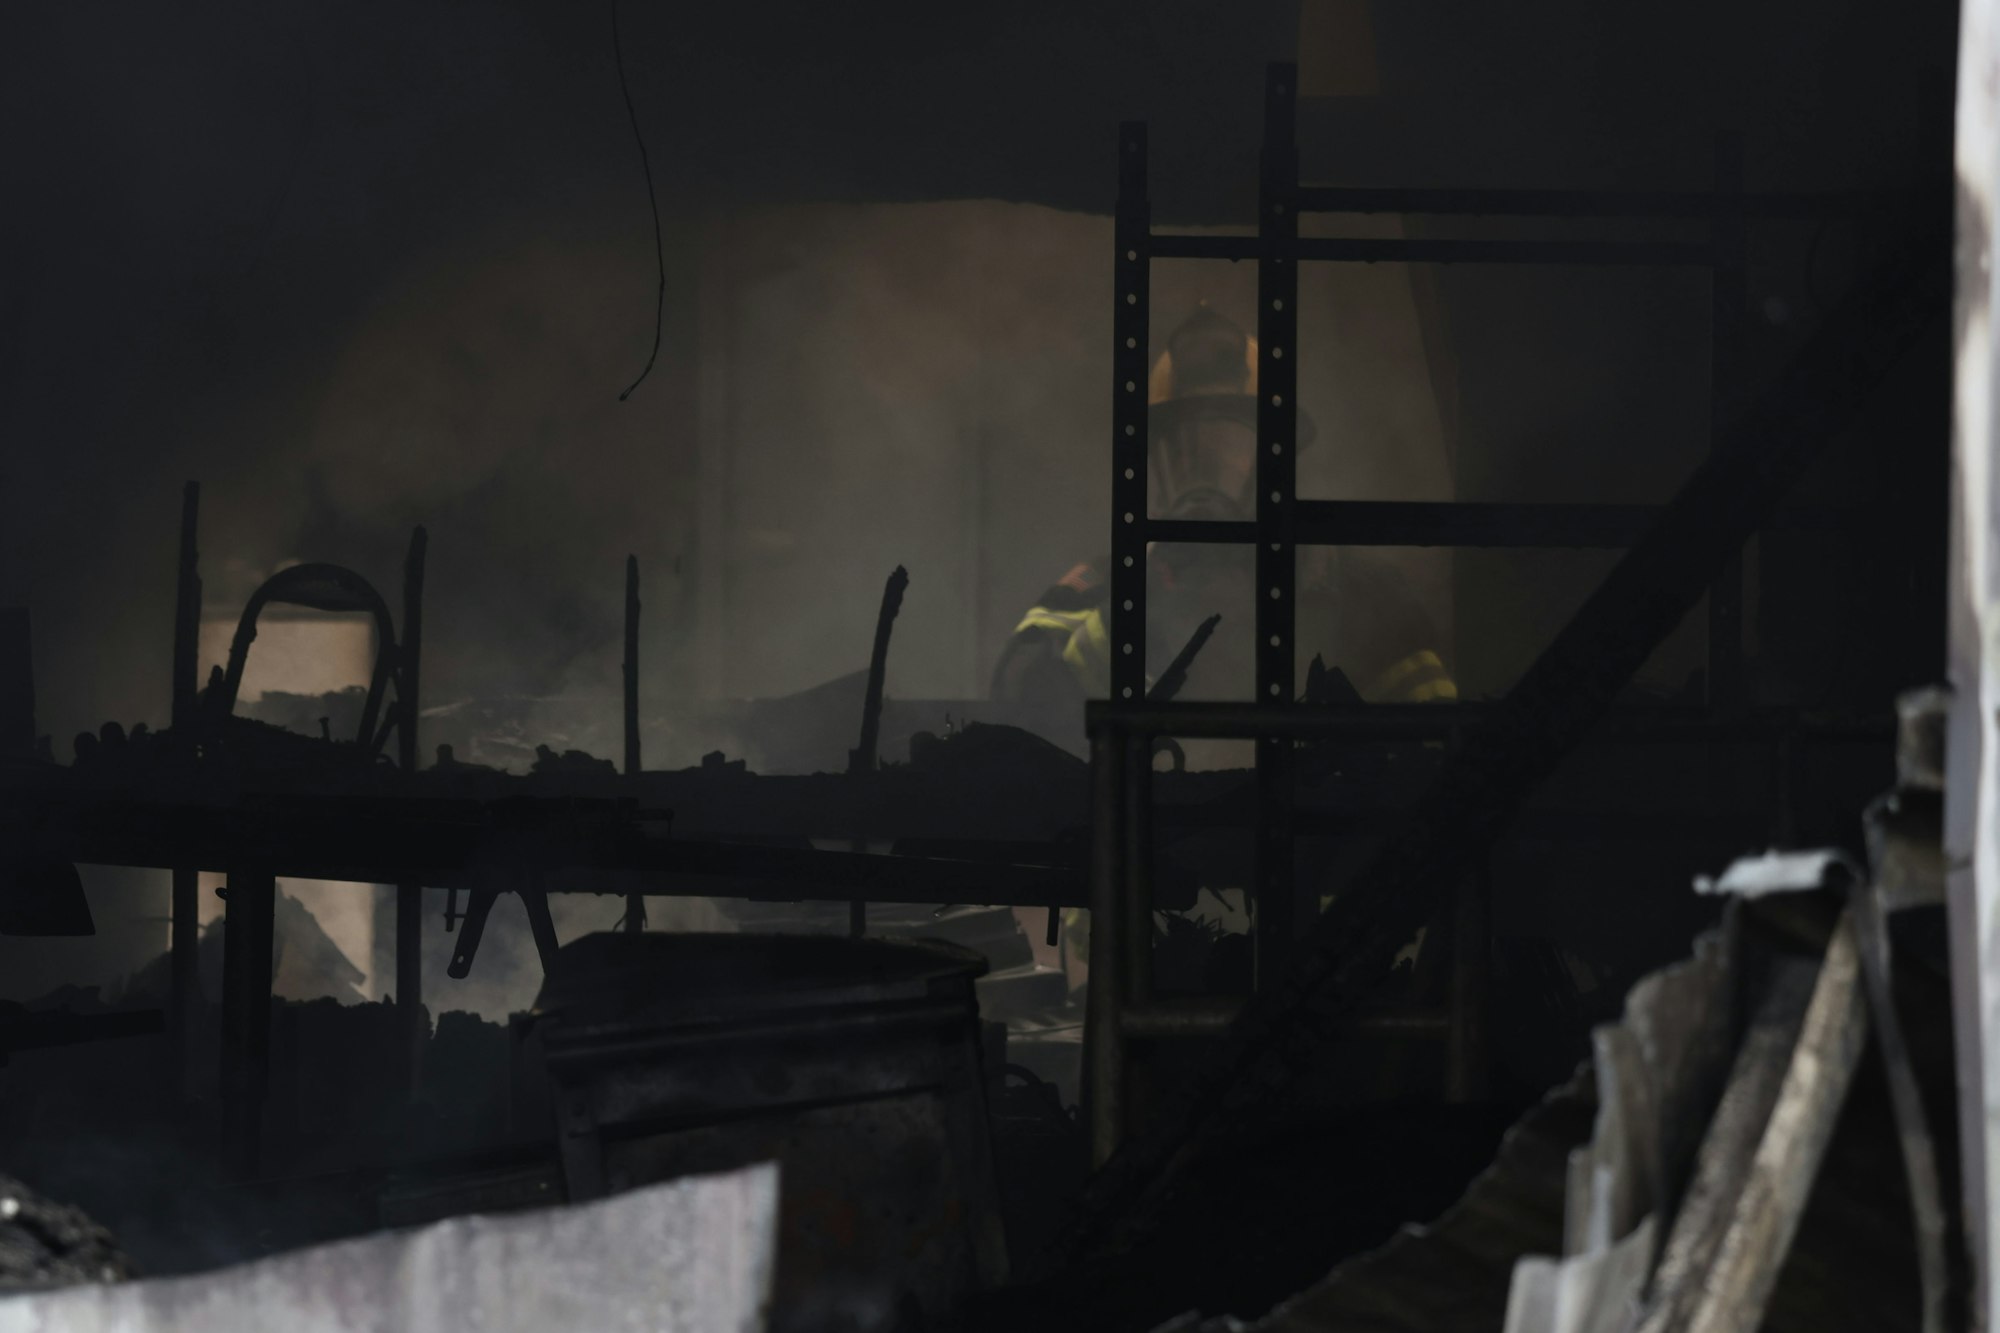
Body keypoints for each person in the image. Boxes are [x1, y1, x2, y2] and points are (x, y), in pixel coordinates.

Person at [993, 303, 1456, 718]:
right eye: (1182, 446)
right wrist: (1137, 608)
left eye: (1229, 441)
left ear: (1276, 458)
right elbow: (1019, 705)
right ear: (1154, 462)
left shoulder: (1361, 593)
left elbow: (1431, 742)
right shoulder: (1094, 593)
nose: (1203, 463)